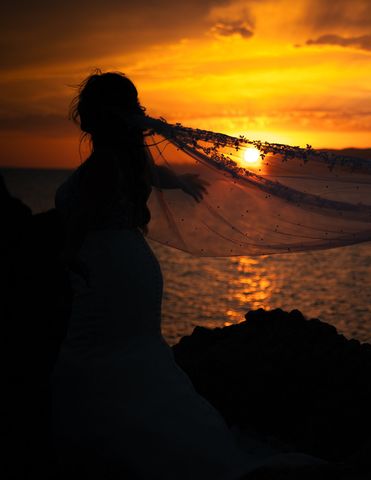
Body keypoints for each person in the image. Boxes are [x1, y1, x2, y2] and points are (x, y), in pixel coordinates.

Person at [51, 71, 321, 479]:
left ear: (93, 113)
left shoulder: (105, 162)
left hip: (105, 268)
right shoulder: (128, 157)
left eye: (85, 107)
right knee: (131, 354)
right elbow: (154, 177)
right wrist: (181, 180)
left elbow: (80, 224)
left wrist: (61, 258)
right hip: (132, 265)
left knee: (97, 353)